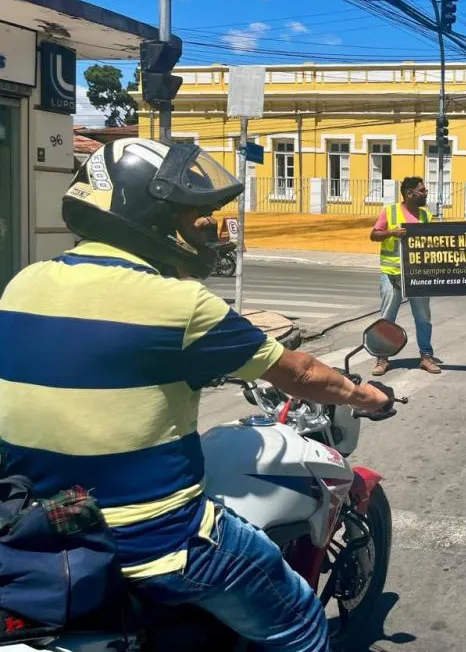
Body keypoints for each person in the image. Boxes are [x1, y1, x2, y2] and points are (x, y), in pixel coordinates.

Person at [0, 138, 395, 652]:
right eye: (197, 215)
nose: (210, 226)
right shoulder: (181, 305)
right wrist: (367, 395)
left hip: (34, 528)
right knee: (299, 620)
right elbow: (298, 371)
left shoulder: (24, 282)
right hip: (153, 541)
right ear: (150, 213)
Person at [370, 176, 439, 375]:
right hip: (392, 275)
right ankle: (382, 358)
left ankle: (426, 356)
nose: (426, 193)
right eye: (422, 190)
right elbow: (374, 235)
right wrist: (392, 232)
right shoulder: (390, 211)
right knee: (387, 319)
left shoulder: (426, 216)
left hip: (417, 276)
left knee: (423, 318)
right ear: (410, 194)